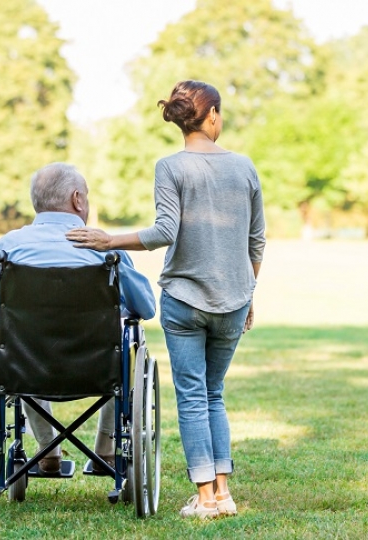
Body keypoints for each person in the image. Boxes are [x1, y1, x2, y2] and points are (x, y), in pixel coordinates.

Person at [66, 80, 266, 519]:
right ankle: (224, 493)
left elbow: (164, 232)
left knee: (193, 395)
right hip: (233, 300)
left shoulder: (169, 167)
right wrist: (248, 295)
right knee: (214, 393)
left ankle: (206, 498)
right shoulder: (245, 167)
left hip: (184, 299)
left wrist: (109, 240)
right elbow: (256, 243)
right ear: (211, 115)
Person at [0, 162, 156, 475]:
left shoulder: (8, 248)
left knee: (19, 342)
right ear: (77, 199)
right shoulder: (105, 249)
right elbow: (147, 309)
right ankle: (107, 452)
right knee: (128, 344)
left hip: (27, 368)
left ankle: (48, 454)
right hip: (98, 367)